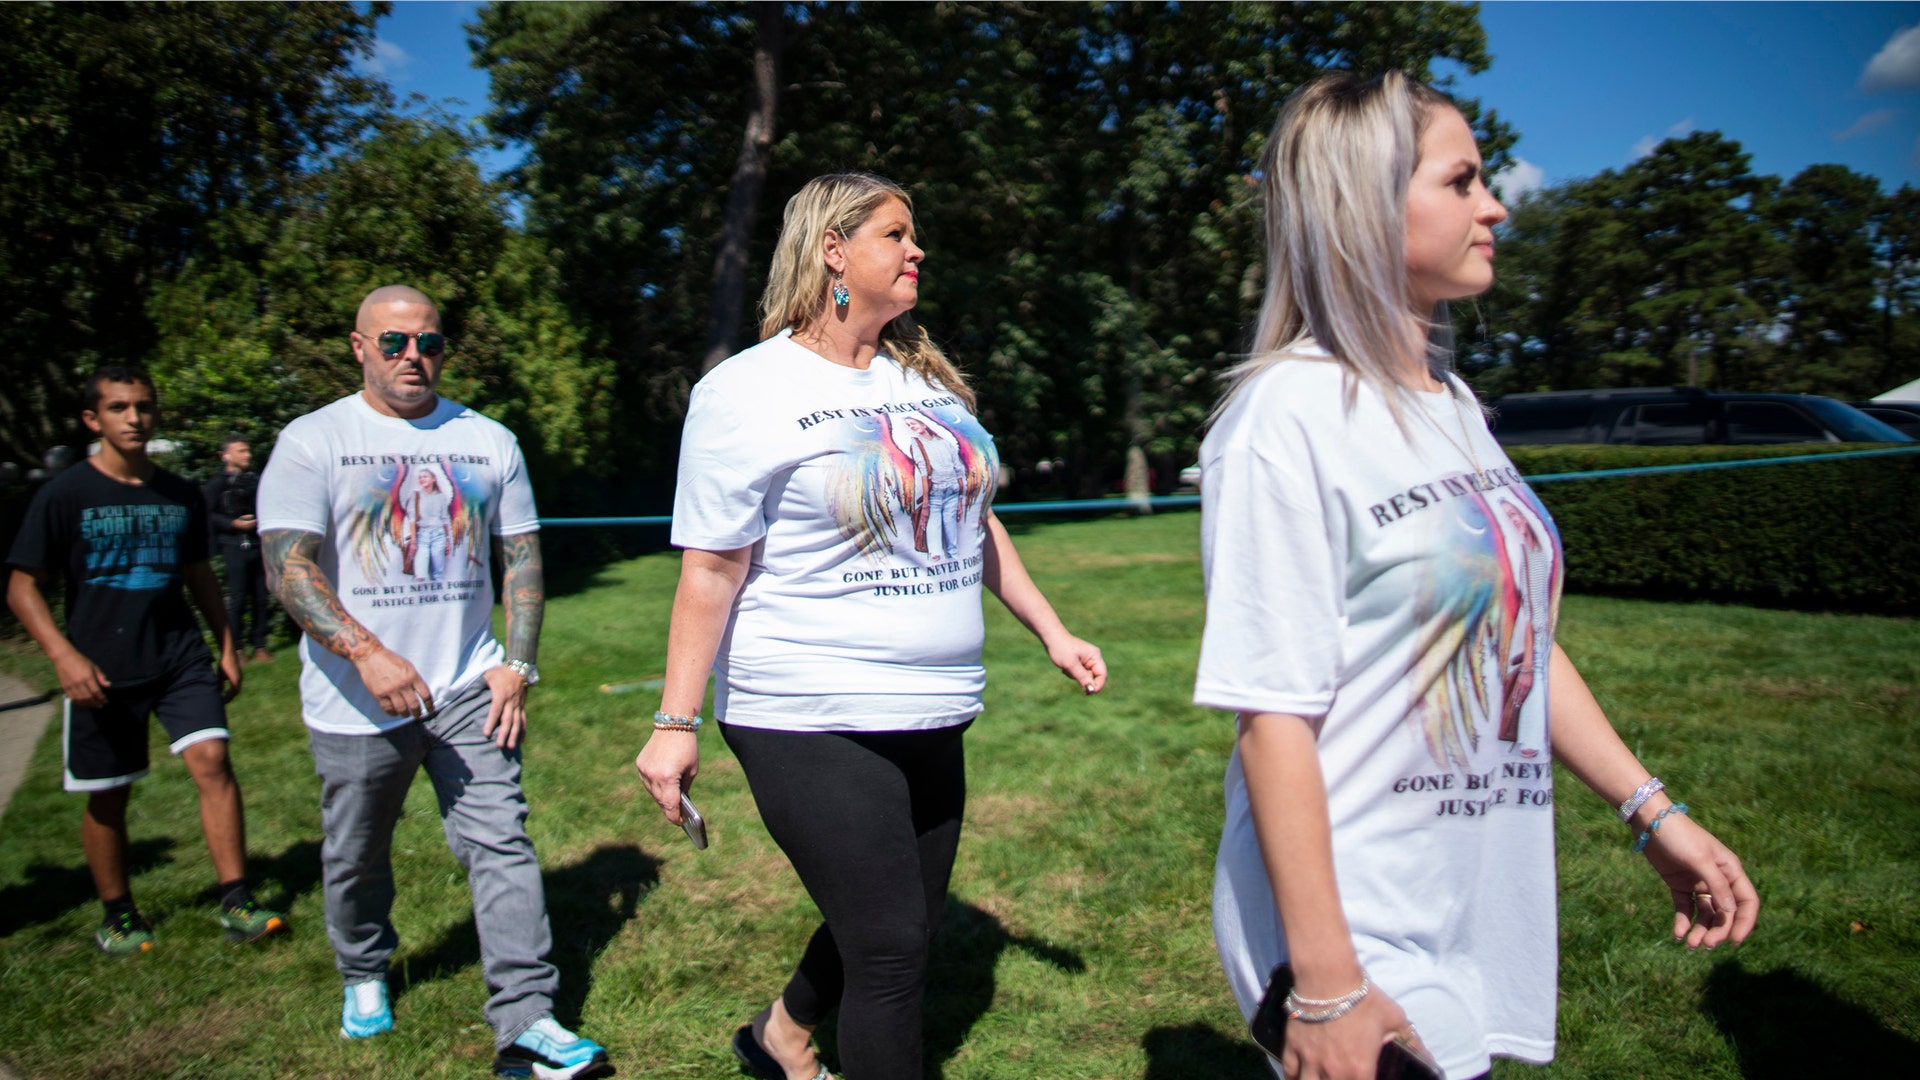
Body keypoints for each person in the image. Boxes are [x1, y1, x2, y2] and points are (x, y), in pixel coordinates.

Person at [1196, 72, 1759, 1080]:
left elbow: (1519, 640)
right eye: (1463, 181)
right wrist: (1326, 983)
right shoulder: (1282, 419)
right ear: (1363, 206)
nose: (1495, 205)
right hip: (1346, 919)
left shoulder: (1449, 401)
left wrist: (1653, 816)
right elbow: (1270, 711)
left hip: (1463, 895)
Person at [634, 172, 1108, 1080]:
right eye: (897, 233)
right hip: (806, 708)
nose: (917, 249)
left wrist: (1051, 629)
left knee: (905, 922)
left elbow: (975, 517)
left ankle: (779, 1035)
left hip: (933, 706)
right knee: (892, 950)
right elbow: (712, 563)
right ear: (832, 250)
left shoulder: (920, 379)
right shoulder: (747, 390)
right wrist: (673, 722)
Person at [258, 285, 610, 1079]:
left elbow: (521, 562)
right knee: (357, 855)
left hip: (466, 691)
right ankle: (362, 970)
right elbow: (287, 567)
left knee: (503, 845)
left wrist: (515, 667)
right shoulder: (314, 440)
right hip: (356, 700)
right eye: (393, 343)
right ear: (359, 347)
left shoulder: (488, 440)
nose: (413, 356)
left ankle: (527, 1019)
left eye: (429, 343)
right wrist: (366, 652)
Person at [5, 366, 287, 955]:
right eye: (118, 407)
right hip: (101, 668)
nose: (134, 418)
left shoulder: (180, 492)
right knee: (109, 794)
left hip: (179, 657)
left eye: (144, 406)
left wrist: (227, 645)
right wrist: (63, 657)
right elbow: (21, 586)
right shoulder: (65, 494)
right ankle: (118, 915)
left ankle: (236, 900)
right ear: (93, 419)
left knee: (212, 758)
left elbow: (198, 577)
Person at [204, 434, 273, 663]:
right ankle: (235, 648)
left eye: (248, 450)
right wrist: (232, 524)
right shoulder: (217, 485)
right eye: (241, 451)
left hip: (257, 543)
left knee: (261, 597)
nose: (248, 455)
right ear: (226, 455)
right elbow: (206, 514)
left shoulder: (255, 480)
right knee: (238, 598)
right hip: (233, 546)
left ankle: (260, 645)